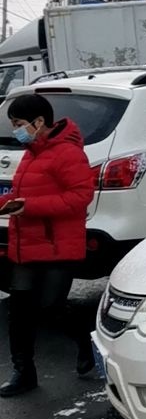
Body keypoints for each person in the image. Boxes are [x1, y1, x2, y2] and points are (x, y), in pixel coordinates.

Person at [0, 93, 96, 398]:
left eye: (18, 124)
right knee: (20, 311)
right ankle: (23, 372)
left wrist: (28, 206)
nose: (15, 129)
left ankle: (86, 341)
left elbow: (80, 198)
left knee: (50, 308)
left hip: (57, 246)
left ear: (39, 122)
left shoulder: (68, 153)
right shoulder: (32, 152)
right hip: (25, 244)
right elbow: (22, 195)